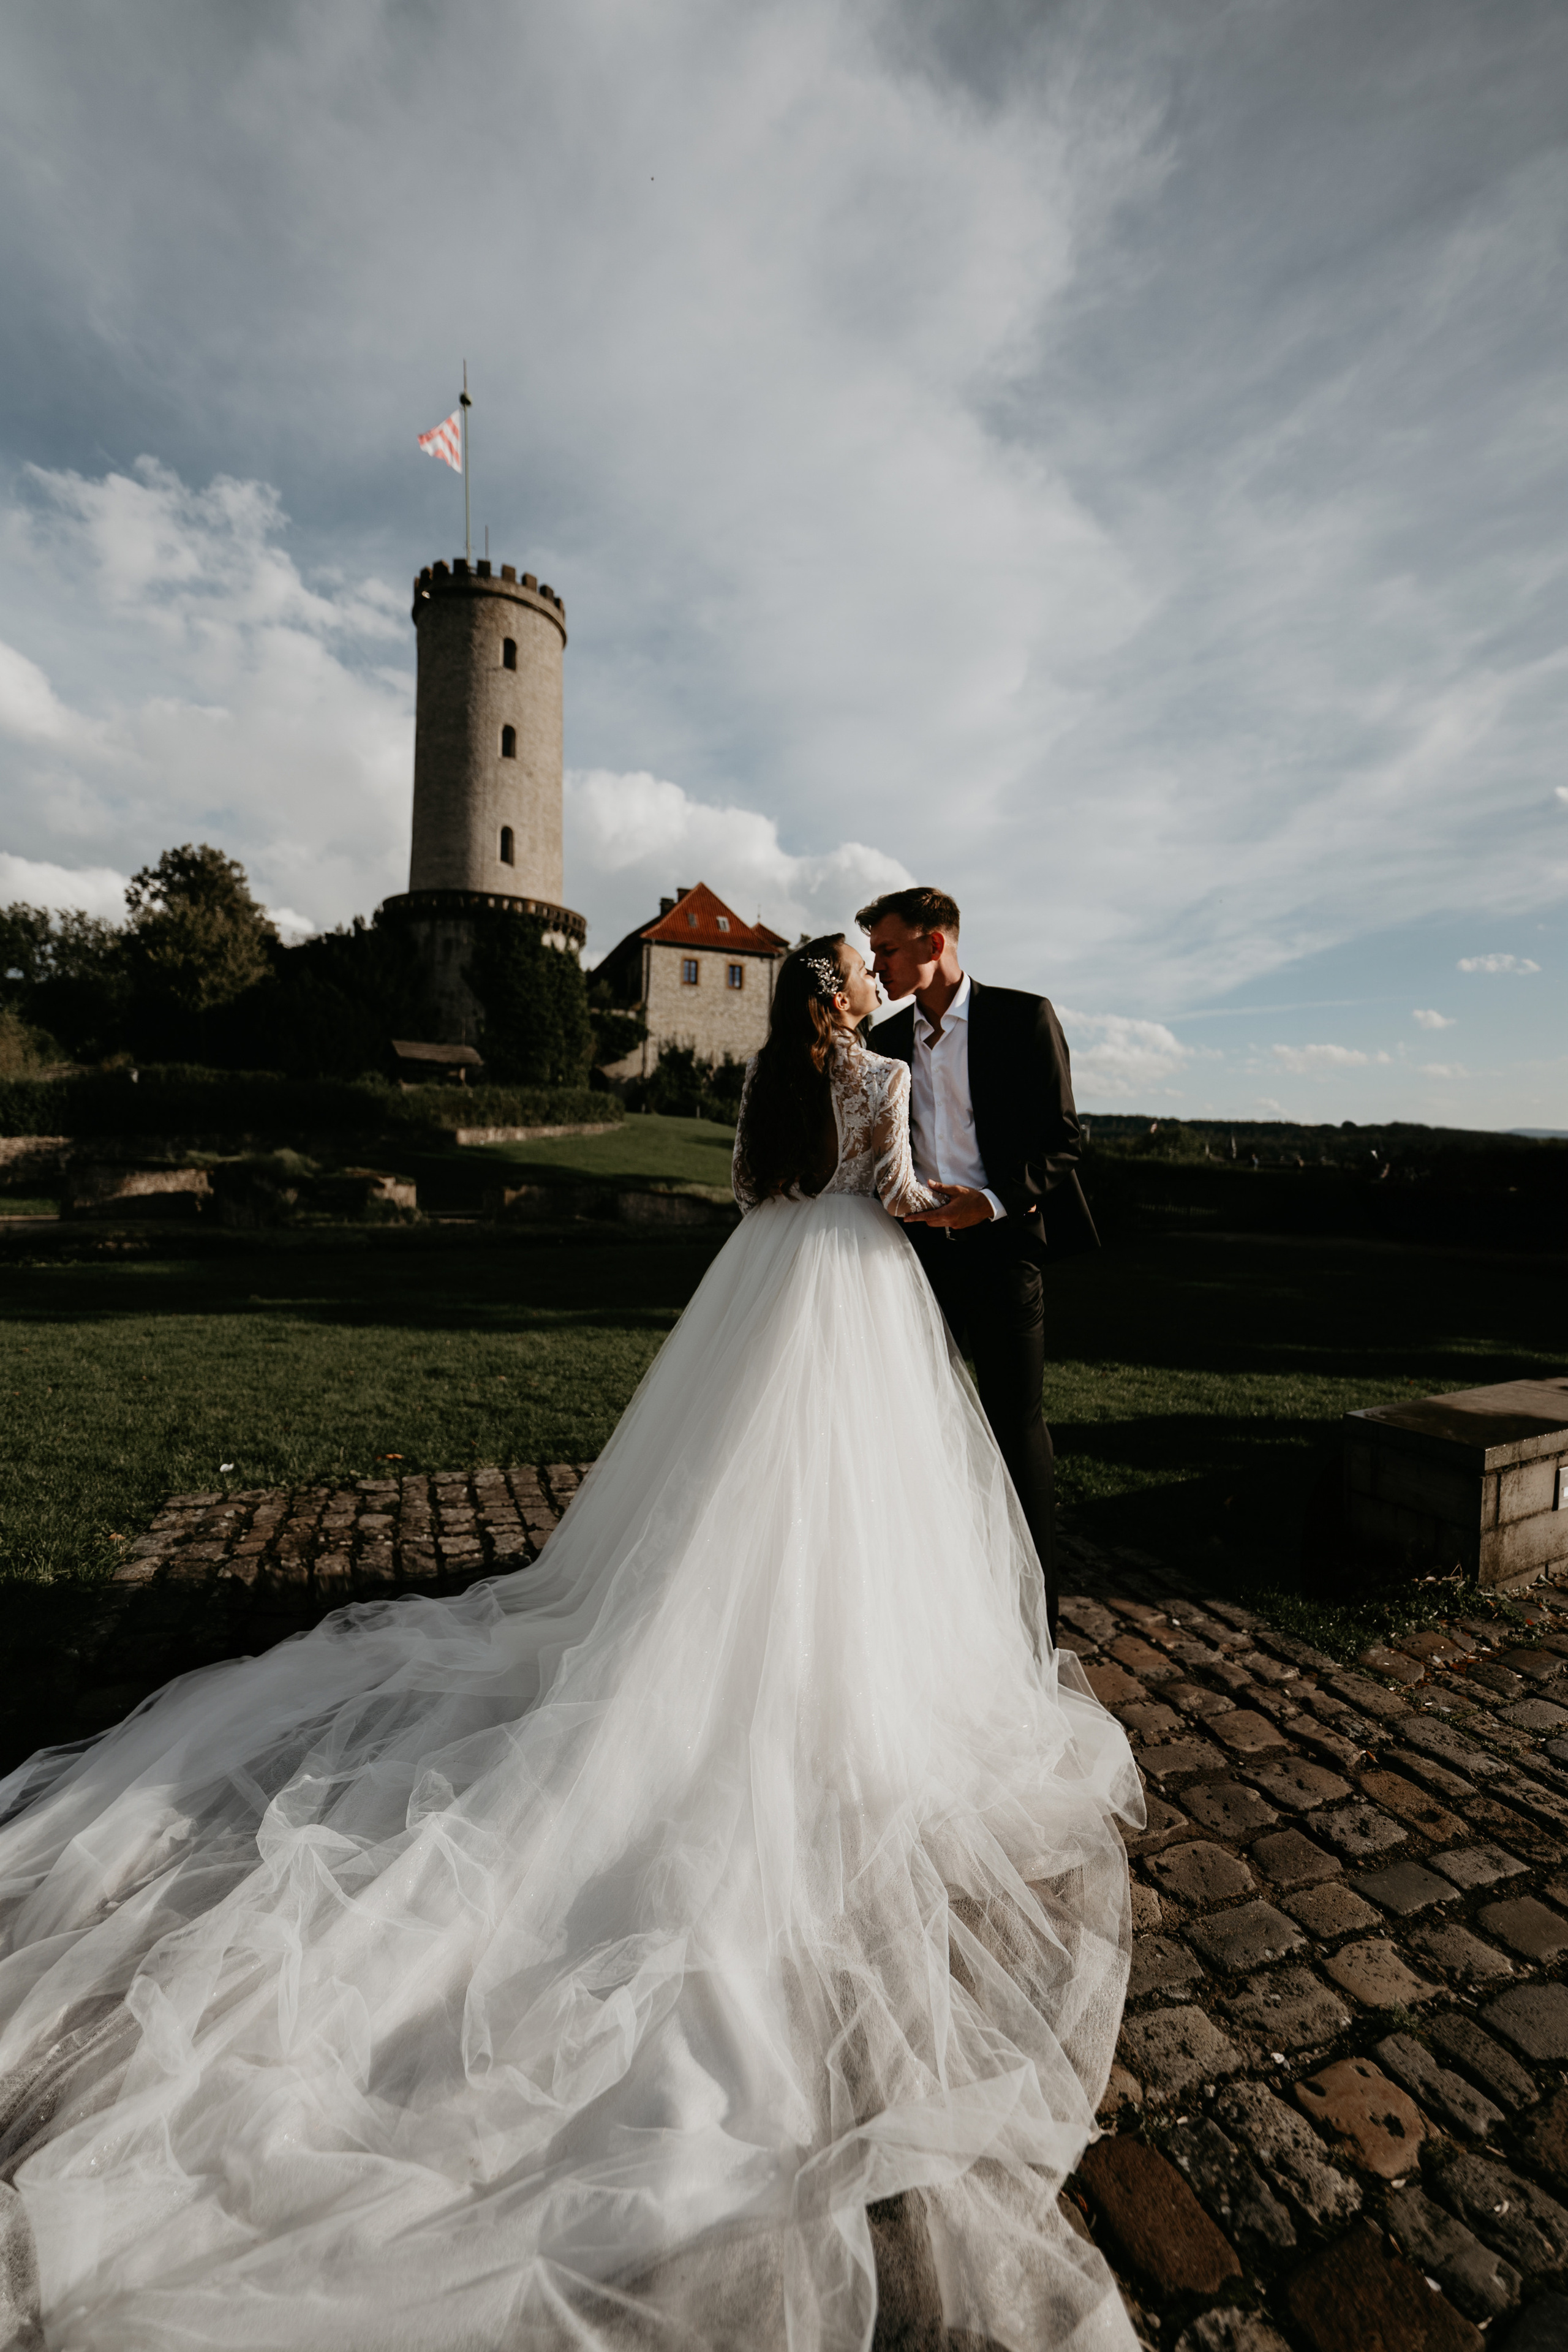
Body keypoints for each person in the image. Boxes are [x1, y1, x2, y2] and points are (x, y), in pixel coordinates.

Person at [0, 935, 1139, 2352]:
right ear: (846, 1000)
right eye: (854, 971)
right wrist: (958, 1210)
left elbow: (744, 1190)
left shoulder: (764, 1085)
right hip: (860, 1280)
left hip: (766, 1274)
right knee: (856, 1492)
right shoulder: (881, 1072)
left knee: (724, 1486)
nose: (860, 983)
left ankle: (709, 1627)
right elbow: (902, 1194)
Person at [857, 888, 1096, 1642]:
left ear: (934, 945)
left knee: (1016, 1429)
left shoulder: (1023, 1018)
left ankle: (1033, 1628)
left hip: (1004, 1254)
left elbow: (1063, 1142)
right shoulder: (885, 1040)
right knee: (911, 1430)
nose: (876, 965)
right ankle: (924, 1613)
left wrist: (988, 1203)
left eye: (887, 950)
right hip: (912, 1262)